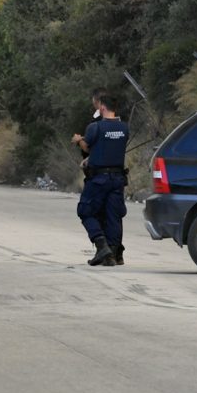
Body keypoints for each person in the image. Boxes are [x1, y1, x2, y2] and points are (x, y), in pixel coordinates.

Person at [72, 91, 129, 267]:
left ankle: (101, 244)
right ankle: (113, 254)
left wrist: (78, 140)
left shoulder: (95, 128)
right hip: (118, 178)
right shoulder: (124, 128)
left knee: (85, 211)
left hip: (99, 179)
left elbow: (88, 147)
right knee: (113, 215)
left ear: (102, 107)